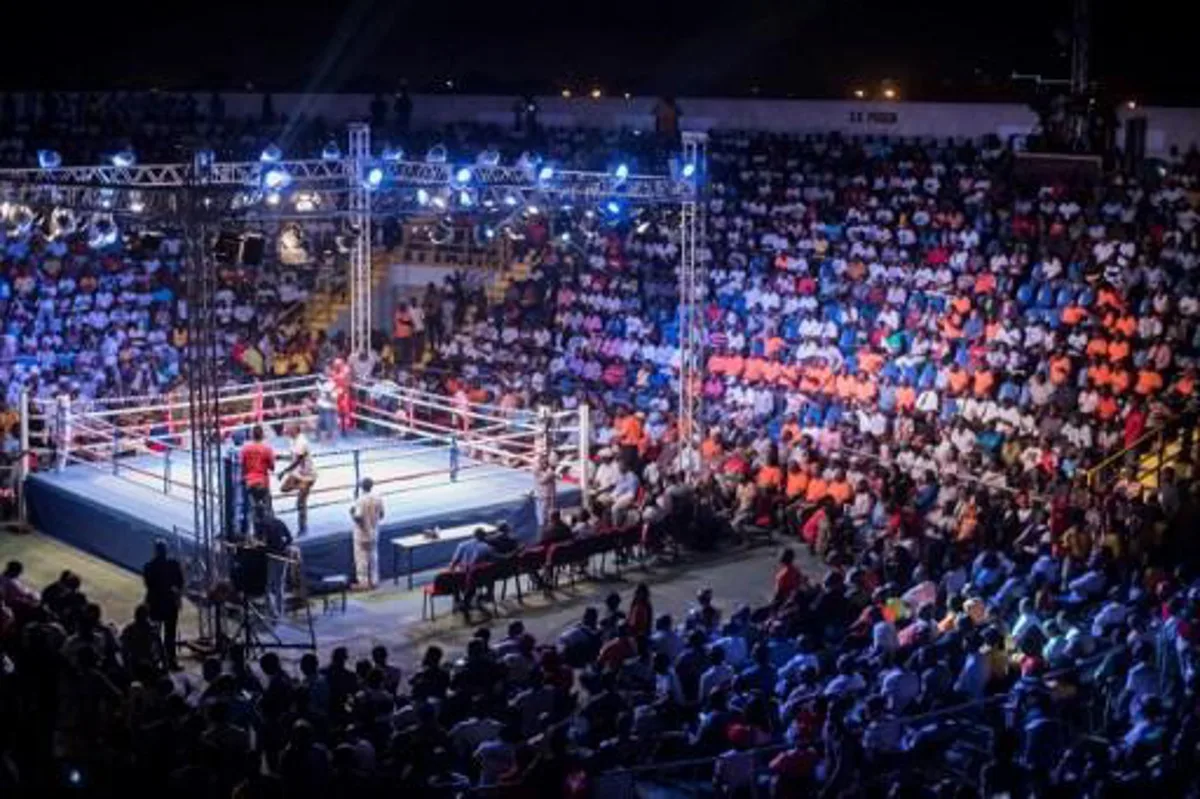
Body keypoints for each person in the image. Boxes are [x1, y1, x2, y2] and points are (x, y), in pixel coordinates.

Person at [142, 538, 184, 670]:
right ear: (166, 551)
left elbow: (148, 584)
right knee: (170, 635)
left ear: (155, 551)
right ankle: (171, 661)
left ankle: (154, 661)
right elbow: (180, 583)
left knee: (154, 633)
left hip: (154, 603)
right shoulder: (173, 564)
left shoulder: (148, 566)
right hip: (169, 603)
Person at [278, 425, 318, 536]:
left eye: (289, 429)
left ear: (296, 430)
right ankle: (302, 487)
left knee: (301, 503)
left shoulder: (302, 442)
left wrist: (284, 471)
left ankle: (303, 528)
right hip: (298, 474)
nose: (287, 431)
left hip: (307, 475)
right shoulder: (292, 441)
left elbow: (297, 461)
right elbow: (293, 457)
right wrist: (280, 457)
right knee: (283, 488)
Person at [257, 509, 294, 618]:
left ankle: (273, 613)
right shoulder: (280, 522)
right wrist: (283, 547)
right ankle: (280, 612)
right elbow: (290, 538)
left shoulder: (263, 525)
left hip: (273, 557)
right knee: (279, 585)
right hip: (283, 556)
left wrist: (265, 548)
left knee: (269, 586)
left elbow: (261, 542)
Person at [240, 425, 275, 536]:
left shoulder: (245, 449)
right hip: (262, 482)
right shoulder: (267, 449)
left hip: (250, 482)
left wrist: (244, 478)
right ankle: (270, 534)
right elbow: (272, 467)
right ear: (262, 435)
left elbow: (242, 466)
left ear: (252, 435)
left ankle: (257, 534)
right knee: (267, 508)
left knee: (253, 509)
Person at [349, 477, 384, 589]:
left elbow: (358, 517)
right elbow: (382, 515)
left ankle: (363, 582)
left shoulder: (361, 500)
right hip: (374, 532)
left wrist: (351, 514)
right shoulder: (378, 498)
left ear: (362, 487)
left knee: (361, 559)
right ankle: (374, 580)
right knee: (373, 557)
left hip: (362, 534)